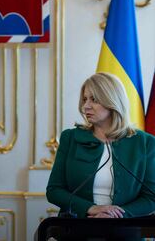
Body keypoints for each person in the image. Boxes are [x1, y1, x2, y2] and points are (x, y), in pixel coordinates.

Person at [46, 72, 155, 219]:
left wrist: (116, 216)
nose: (86, 106)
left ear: (113, 101)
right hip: (77, 228)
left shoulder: (145, 143)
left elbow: (151, 197)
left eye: (94, 100)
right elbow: (54, 190)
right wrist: (90, 208)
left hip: (125, 231)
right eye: (84, 99)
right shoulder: (70, 138)